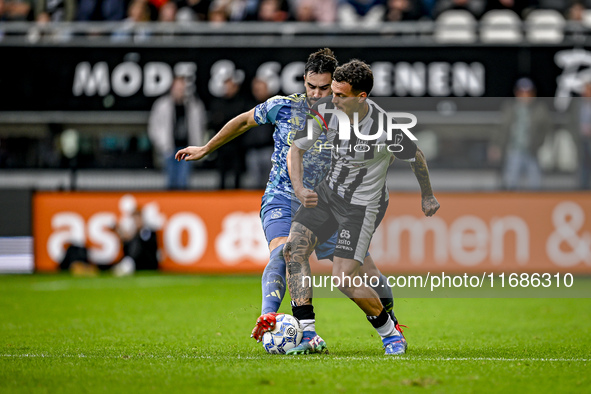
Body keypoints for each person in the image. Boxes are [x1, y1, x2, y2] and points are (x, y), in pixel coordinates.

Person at [176, 49, 400, 345]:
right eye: (311, 86)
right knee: (286, 252)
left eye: (324, 87)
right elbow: (243, 121)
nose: (317, 93)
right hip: (282, 196)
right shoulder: (282, 106)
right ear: (304, 81)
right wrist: (206, 148)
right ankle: (276, 318)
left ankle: (390, 319)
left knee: (366, 273)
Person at [282, 59, 439, 355]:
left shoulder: (384, 128)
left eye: (340, 94)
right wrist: (301, 188)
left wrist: (427, 196)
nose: (332, 98)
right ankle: (306, 333)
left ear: (361, 97)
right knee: (294, 249)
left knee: (342, 278)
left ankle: (390, 334)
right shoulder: (326, 110)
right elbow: (297, 148)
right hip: (328, 194)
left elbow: (416, 156)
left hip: (362, 207)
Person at [488, 77, 552, 190]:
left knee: (536, 182)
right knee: (511, 182)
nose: (524, 95)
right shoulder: (510, 108)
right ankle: (511, 206)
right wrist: (496, 145)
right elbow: (501, 129)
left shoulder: (539, 108)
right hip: (514, 150)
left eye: (528, 92)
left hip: (533, 152)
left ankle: (535, 206)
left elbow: (547, 129)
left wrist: (542, 144)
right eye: (522, 92)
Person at [148, 75, 206, 190]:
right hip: (169, 149)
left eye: (182, 88)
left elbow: (200, 126)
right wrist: (162, 144)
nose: (180, 91)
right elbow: (154, 127)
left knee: (183, 181)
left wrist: (198, 145)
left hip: (186, 149)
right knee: (170, 181)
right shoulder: (162, 106)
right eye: (178, 88)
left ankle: (182, 206)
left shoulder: (194, 105)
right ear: (172, 88)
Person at [568, 80, 591, 189]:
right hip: (580, 139)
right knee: (581, 164)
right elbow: (572, 121)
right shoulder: (577, 104)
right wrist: (575, 134)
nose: (586, 92)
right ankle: (582, 188)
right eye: (585, 89)